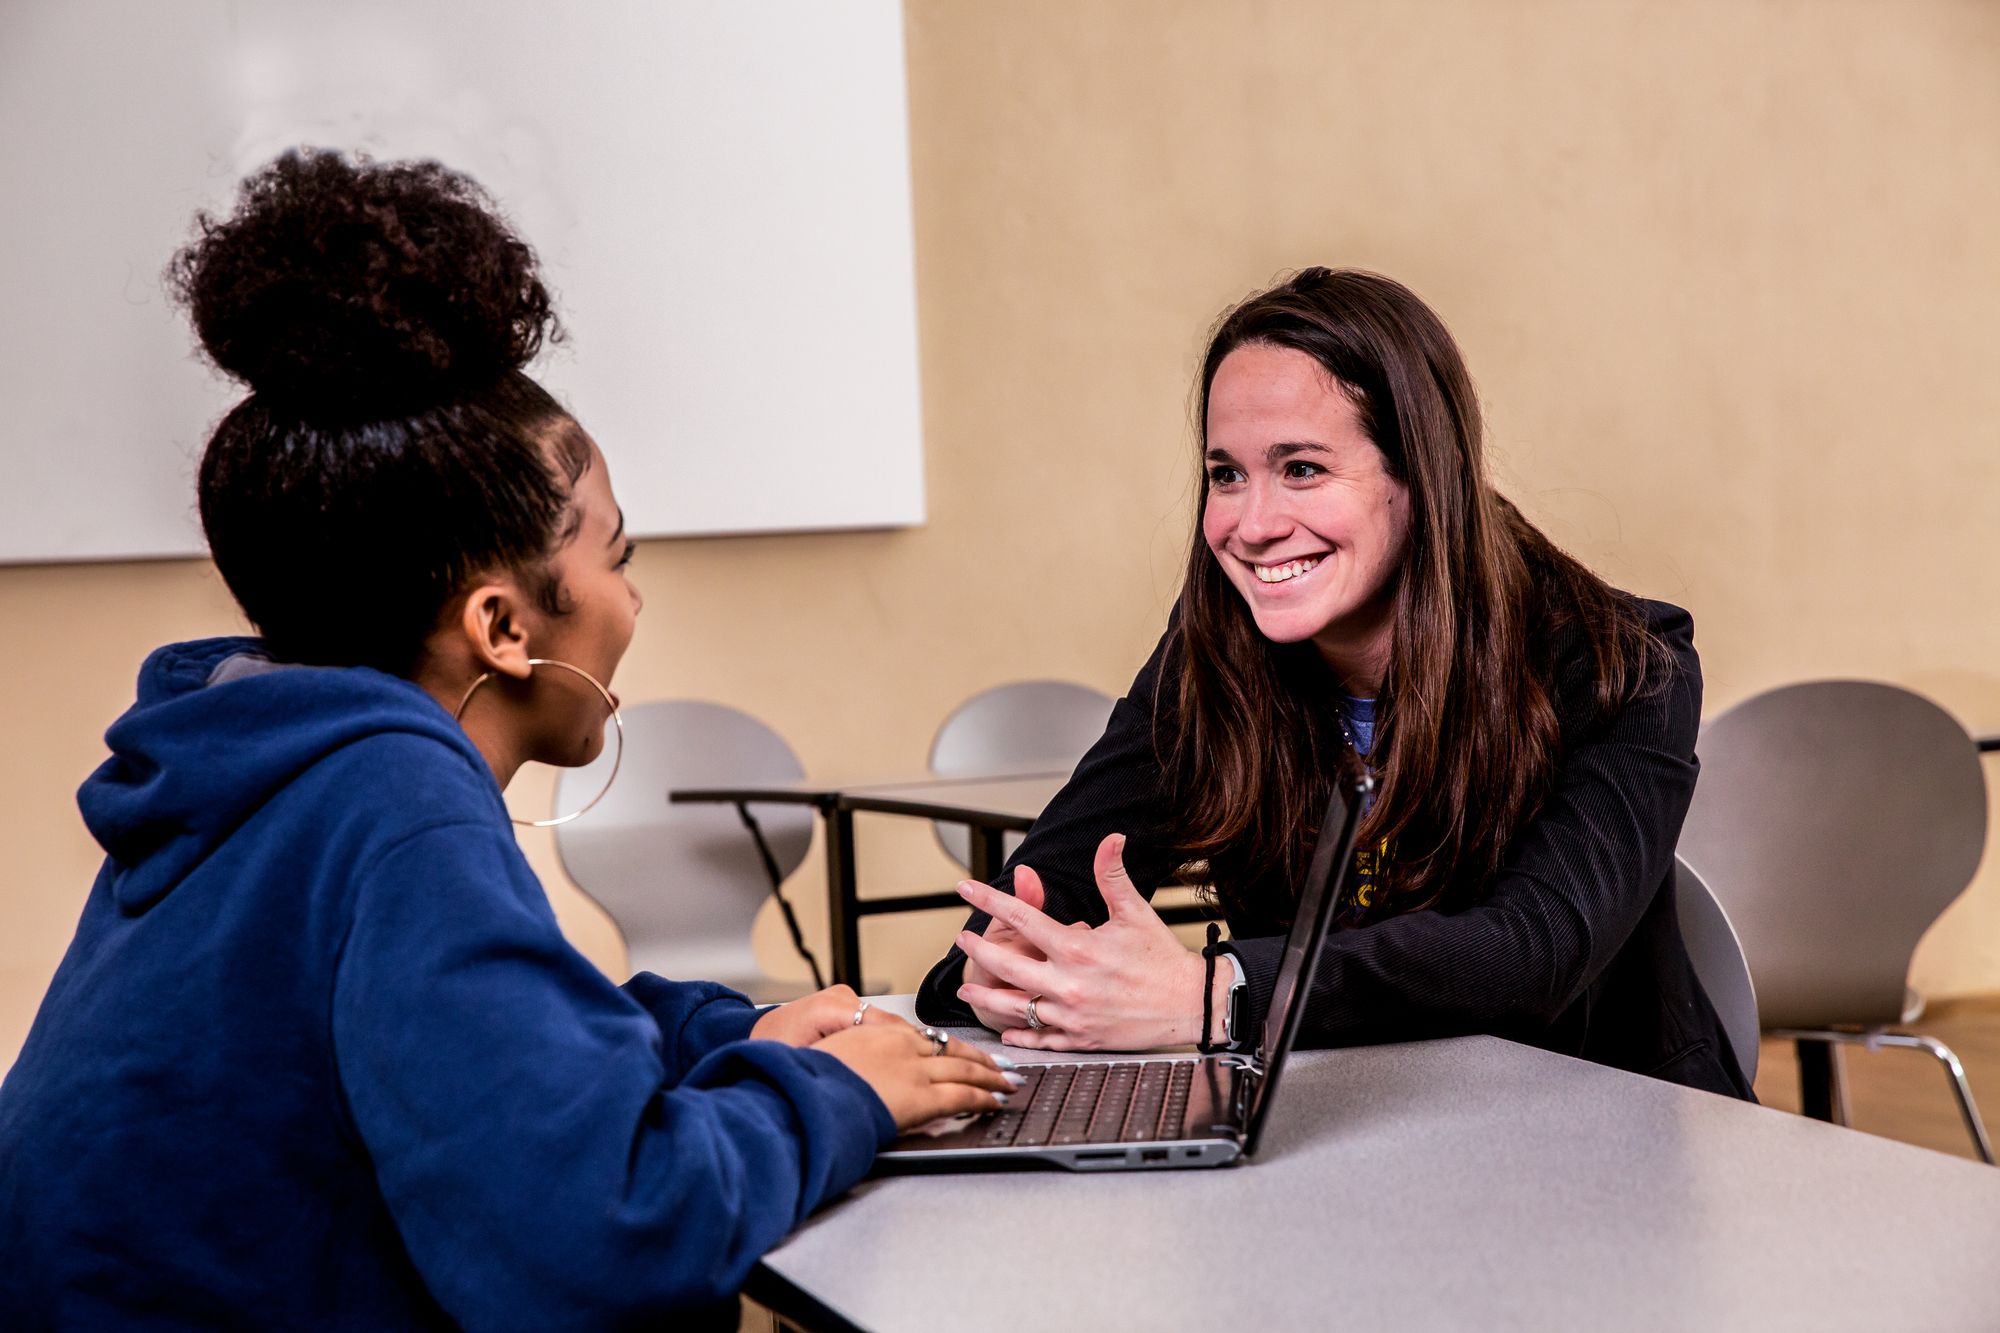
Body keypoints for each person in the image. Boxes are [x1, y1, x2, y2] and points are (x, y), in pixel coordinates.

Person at [0, 150, 1013, 1330]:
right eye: (616, 559)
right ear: (502, 624)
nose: (631, 601)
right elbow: (603, 1243)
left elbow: (496, 1047)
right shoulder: (389, 802)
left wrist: (721, 1038)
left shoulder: (258, 762)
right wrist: (826, 1093)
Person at [916, 267, 1751, 1101]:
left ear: (1419, 479)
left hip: (1603, 1140)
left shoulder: (1626, 663)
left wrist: (1218, 992)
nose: (1252, 524)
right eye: (1226, 473)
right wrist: (1010, 974)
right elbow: (1002, 935)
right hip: (1343, 1134)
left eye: (1304, 468)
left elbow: (1528, 952)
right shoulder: (1215, 651)